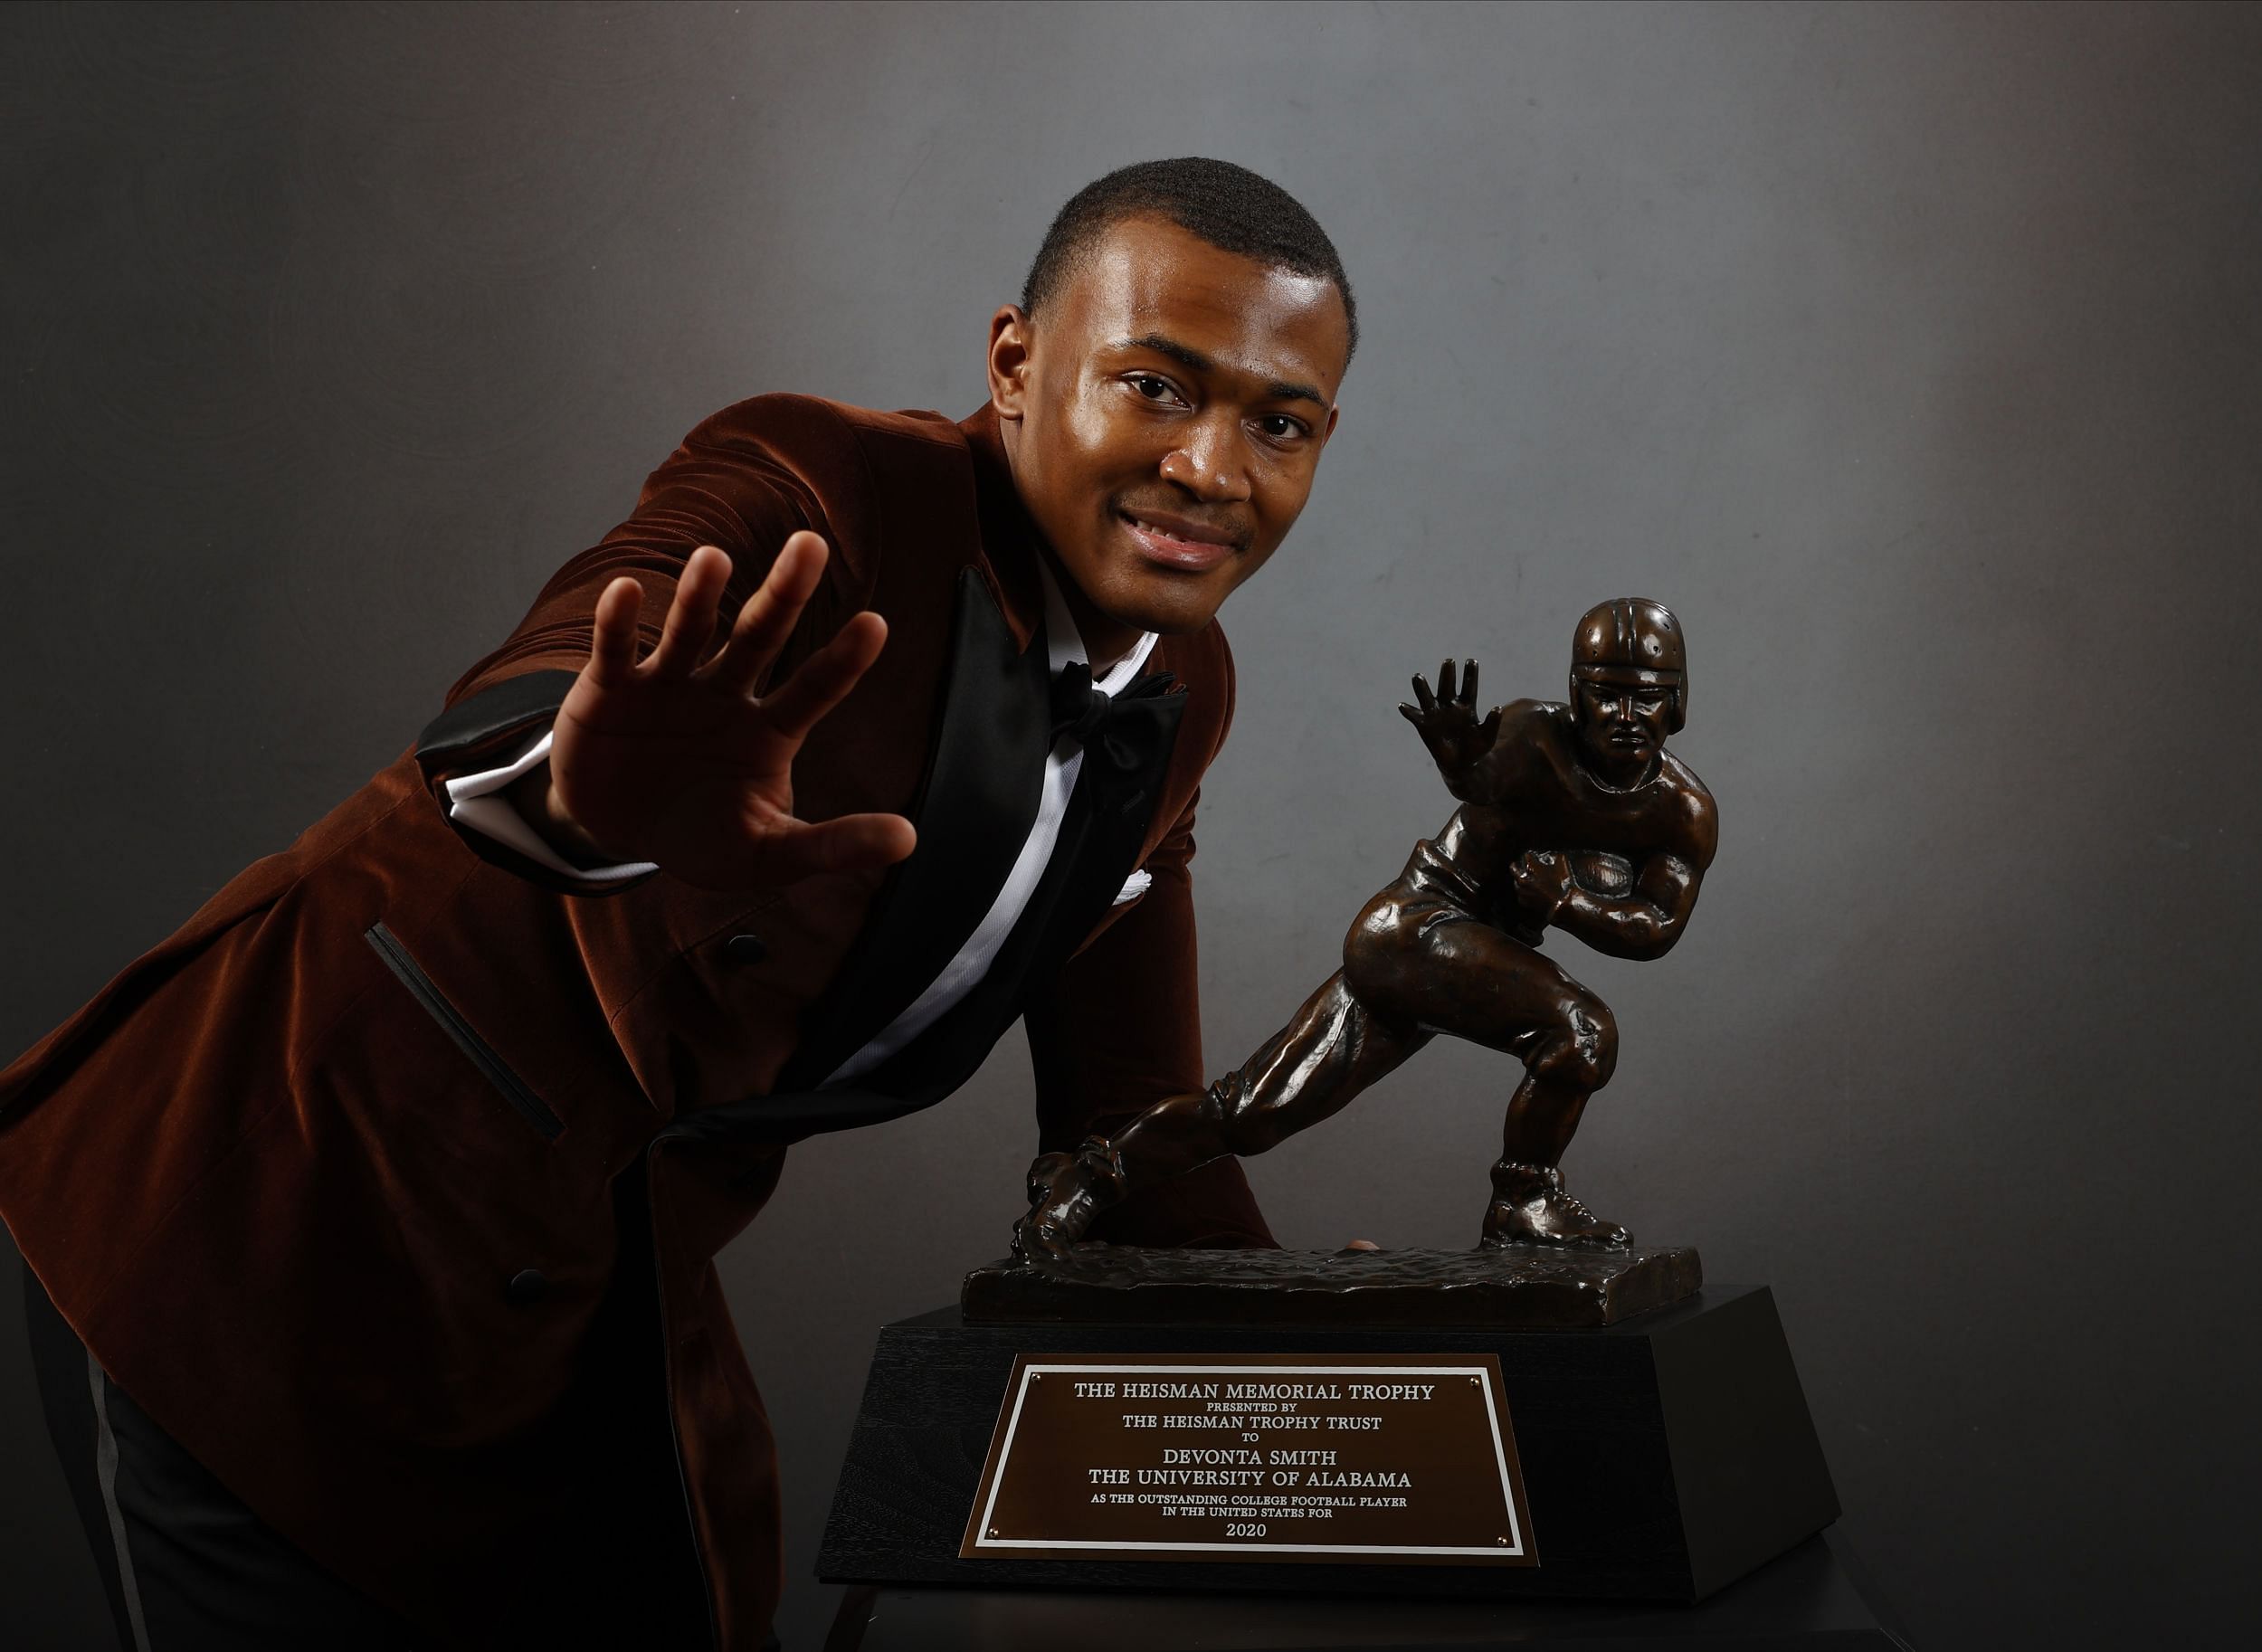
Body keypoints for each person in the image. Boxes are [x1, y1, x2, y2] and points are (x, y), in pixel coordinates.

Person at [0, 157, 1355, 1650]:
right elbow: (589, 634)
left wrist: (1384, 1369)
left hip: (581, 1300)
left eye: (1276, 422)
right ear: (1017, 366)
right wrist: (576, 793)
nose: (1213, 469)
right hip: (255, 1227)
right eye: (1156, 387)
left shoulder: (1179, 693)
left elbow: (1133, 1124)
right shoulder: (826, 482)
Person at [1016, 599, 1716, 1258]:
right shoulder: (1536, 735)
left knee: (1256, 1111)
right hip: (1415, 929)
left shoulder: (1680, 810)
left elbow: (1656, 925)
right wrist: (1461, 761)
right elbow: (1482, 784)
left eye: (1647, 695)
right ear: (1576, 692)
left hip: (1455, 962)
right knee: (1582, 1032)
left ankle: (1088, 1176)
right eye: (1605, 693)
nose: (1625, 714)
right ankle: (1522, 1199)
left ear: (1677, 702)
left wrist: (1568, 902)